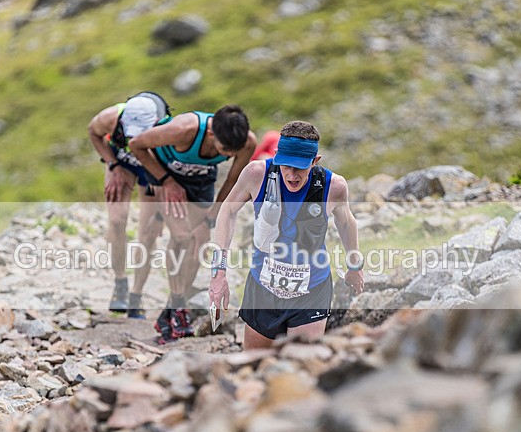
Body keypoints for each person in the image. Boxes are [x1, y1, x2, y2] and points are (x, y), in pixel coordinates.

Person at [208, 120, 364, 349]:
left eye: (300, 167)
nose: (291, 175)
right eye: (285, 165)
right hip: (263, 288)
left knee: (302, 363)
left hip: (312, 288)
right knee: (254, 365)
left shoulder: (334, 186)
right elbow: (227, 211)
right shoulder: (256, 174)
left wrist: (354, 266)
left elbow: (347, 223)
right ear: (277, 155)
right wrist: (218, 272)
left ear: (315, 161)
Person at [129, 105, 257, 343]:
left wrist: (212, 217)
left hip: (200, 179)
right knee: (181, 237)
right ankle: (179, 307)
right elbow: (136, 144)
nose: (228, 156)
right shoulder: (184, 129)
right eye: (224, 150)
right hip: (164, 175)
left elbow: (232, 180)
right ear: (211, 135)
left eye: (232, 153)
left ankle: (170, 312)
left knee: (200, 241)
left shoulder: (246, 142)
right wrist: (166, 182)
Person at [88, 92, 170, 318]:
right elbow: (93, 133)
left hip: (151, 170)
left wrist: (161, 216)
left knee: (148, 233)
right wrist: (112, 164)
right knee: (116, 220)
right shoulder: (109, 118)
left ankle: (136, 295)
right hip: (122, 162)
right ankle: (120, 283)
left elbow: (167, 179)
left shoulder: (168, 131)